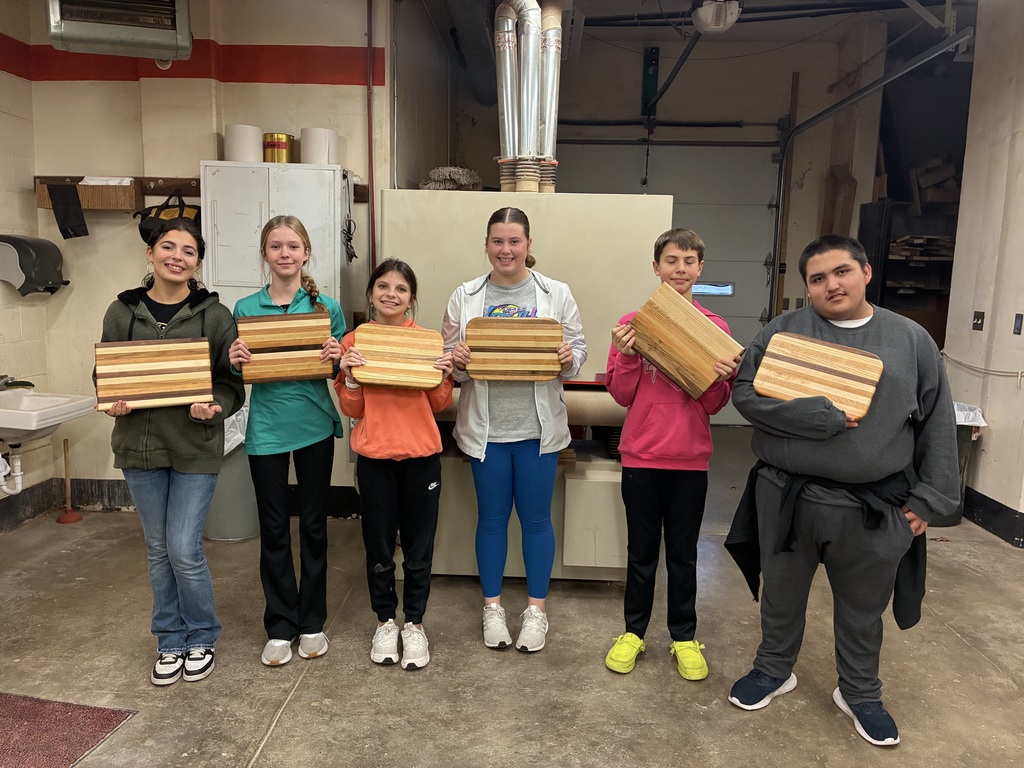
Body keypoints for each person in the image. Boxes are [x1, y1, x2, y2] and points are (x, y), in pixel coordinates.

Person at [726, 234, 959, 747]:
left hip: (874, 505)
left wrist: (929, 500)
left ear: (866, 272)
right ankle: (773, 669)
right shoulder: (784, 332)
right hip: (786, 494)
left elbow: (937, 421)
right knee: (781, 594)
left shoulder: (910, 340)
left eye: (841, 272)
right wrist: (809, 416)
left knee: (863, 606)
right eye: (817, 278)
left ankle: (859, 691)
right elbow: (745, 394)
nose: (831, 285)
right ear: (806, 286)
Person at [97, 218, 244, 686]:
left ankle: (201, 634)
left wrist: (215, 407)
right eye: (168, 247)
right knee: (158, 550)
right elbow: (105, 374)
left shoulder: (214, 315)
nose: (176, 256)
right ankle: (169, 638)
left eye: (187, 251)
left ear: (198, 262)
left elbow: (231, 383)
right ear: (151, 254)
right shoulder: (122, 312)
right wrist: (111, 401)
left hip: (194, 449)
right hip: (138, 450)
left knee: (183, 549)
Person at [442, 206, 587, 653]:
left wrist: (569, 358)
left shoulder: (556, 293)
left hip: (536, 431)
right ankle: (492, 608)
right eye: (497, 241)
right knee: (491, 521)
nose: (506, 250)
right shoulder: (464, 296)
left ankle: (536, 612)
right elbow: (449, 363)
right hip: (487, 433)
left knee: (537, 520)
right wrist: (460, 364)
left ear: (528, 244)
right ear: (486, 245)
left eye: (514, 241)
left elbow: (577, 348)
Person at [603, 228, 740, 680]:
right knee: (640, 552)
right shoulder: (631, 324)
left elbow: (714, 404)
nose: (679, 268)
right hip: (641, 458)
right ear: (656, 266)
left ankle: (683, 637)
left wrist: (720, 380)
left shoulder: (714, 328)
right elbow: (622, 396)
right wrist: (626, 357)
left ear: (700, 268)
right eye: (671, 260)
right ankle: (633, 634)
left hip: (689, 460)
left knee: (683, 555)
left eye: (688, 261)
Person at [229, 215, 345, 667]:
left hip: (314, 425)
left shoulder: (326, 308)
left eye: (293, 246)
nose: (284, 253)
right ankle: (280, 626)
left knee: (315, 526)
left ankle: (312, 622)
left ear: (306, 253)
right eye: (276, 246)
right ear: (264, 254)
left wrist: (336, 358)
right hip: (267, 430)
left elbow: (336, 371)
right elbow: (242, 371)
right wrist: (236, 360)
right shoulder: (245, 309)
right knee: (274, 530)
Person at [336, 259, 454, 670]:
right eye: (383, 286)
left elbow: (440, 404)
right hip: (375, 459)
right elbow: (352, 406)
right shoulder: (355, 342)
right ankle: (386, 621)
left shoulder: (428, 342)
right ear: (370, 294)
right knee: (380, 549)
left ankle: (415, 625)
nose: (391, 294)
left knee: (419, 550)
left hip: (422, 458)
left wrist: (444, 377)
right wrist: (349, 377)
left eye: (401, 288)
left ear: (412, 299)